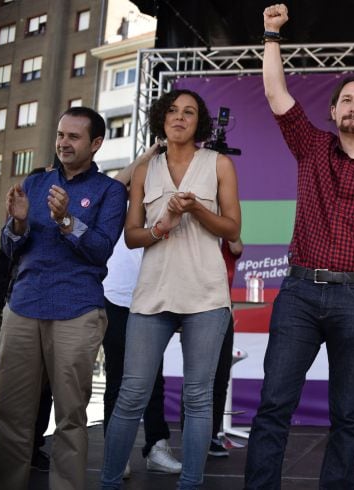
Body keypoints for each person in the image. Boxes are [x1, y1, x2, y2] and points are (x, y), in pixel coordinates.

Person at [243, 4, 354, 489]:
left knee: (345, 415)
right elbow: (276, 92)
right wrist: (271, 33)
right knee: (274, 404)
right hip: (298, 294)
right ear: (333, 111)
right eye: (346, 100)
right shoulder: (312, 147)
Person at [100, 88, 241, 489]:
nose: (180, 117)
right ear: (161, 119)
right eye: (173, 111)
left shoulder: (219, 165)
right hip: (153, 293)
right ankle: (108, 482)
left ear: (200, 123)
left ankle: (191, 484)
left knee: (198, 399)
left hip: (206, 294)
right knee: (131, 394)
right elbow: (131, 237)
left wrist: (196, 208)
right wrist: (163, 224)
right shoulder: (146, 170)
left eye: (190, 112)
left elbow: (232, 229)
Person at [0, 107, 127, 490]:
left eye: (74, 137)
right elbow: (11, 247)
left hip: (77, 311)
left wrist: (67, 220)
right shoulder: (36, 184)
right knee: (9, 414)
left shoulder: (111, 192)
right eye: (60, 135)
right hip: (23, 307)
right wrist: (17, 223)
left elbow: (101, 250)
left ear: (96, 143)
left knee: (70, 415)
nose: (63, 143)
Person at [101, 141, 182, 478]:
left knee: (153, 379)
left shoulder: (173, 191)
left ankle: (156, 446)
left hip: (154, 296)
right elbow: (110, 187)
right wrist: (145, 156)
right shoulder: (124, 191)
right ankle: (115, 455)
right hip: (116, 297)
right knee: (118, 380)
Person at [0, 165, 54, 474]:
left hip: (52, 309)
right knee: (11, 388)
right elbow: (4, 260)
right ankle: (4, 450)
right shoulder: (18, 221)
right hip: (17, 306)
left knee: (45, 388)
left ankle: (33, 446)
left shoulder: (50, 219)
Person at [180, 237, 243, 458]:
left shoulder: (224, 232)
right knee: (195, 376)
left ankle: (212, 435)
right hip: (192, 305)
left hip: (221, 305)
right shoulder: (192, 233)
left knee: (221, 374)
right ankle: (189, 435)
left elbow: (237, 247)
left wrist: (224, 228)